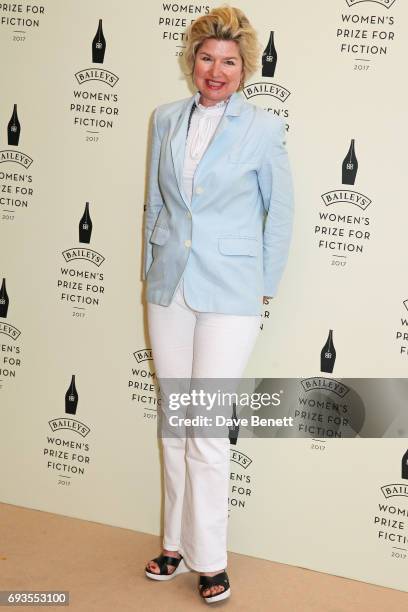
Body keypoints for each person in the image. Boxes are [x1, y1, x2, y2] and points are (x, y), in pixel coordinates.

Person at [142, 5, 294, 604]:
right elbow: (156, 202)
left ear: (244, 68)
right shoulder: (164, 119)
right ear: (192, 60)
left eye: (228, 61)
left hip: (230, 292)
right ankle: (174, 545)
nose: (216, 69)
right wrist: (150, 267)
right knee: (175, 424)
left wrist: (264, 285)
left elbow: (278, 211)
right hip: (169, 287)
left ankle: (211, 560)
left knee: (205, 427)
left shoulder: (263, 128)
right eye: (207, 57)